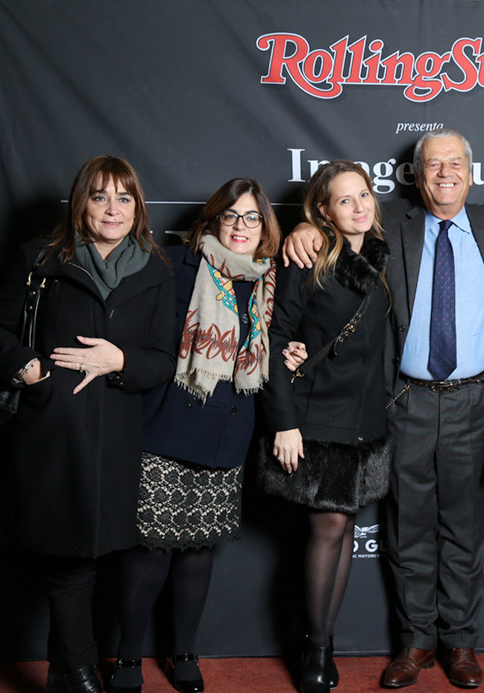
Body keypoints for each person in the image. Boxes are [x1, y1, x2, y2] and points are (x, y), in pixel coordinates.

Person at [283, 130, 484, 689]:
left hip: (475, 400)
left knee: (464, 527)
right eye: (433, 164)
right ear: (417, 174)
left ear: (471, 172)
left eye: (455, 163)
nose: (445, 173)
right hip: (405, 400)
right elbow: (338, 216)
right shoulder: (388, 221)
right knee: (408, 528)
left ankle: (460, 641)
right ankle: (416, 642)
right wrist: (306, 228)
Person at [0, 156, 177, 693]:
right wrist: (30, 369)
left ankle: (61, 671)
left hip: (116, 436)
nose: (113, 209)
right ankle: (82, 671)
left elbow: (164, 359)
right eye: (100, 196)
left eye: (124, 198)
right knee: (69, 558)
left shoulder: (157, 271)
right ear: (80, 203)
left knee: (92, 554)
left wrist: (121, 361)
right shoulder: (39, 259)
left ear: (138, 208)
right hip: (52, 432)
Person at [108, 179, 282, 693]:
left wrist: (288, 354)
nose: (241, 226)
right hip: (168, 423)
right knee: (150, 549)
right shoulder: (176, 266)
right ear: (213, 221)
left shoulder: (269, 279)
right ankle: (127, 657)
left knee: (199, 550)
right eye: (231, 215)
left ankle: (184, 650)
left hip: (228, 429)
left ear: (265, 227)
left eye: (252, 217)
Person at [255, 160, 392, 693]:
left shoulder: (379, 256)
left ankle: (324, 639)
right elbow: (274, 340)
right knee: (328, 526)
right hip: (315, 415)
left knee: (345, 526)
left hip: (365, 418)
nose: (359, 207)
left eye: (365, 195)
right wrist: (284, 424)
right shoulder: (306, 257)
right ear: (323, 210)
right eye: (345, 199)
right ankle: (314, 647)